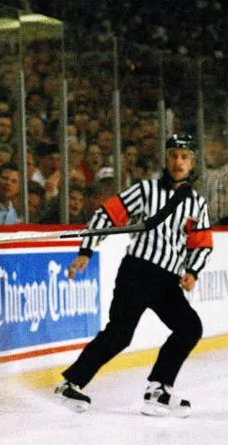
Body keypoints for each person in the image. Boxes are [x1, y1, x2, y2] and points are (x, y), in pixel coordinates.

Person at [54, 134, 213, 417]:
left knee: (190, 328)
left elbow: (200, 241)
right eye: (174, 155)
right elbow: (106, 215)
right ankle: (70, 383)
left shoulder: (196, 203)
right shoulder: (146, 189)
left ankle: (158, 390)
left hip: (167, 280)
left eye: (185, 157)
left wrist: (192, 271)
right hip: (137, 272)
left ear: (192, 164)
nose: (178, 161)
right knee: (120, 334)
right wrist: (86, 251)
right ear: (165, 159)